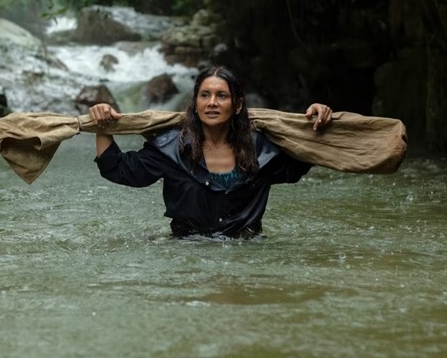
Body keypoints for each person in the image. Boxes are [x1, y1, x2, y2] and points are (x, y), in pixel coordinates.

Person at [89, 66, 333, 239]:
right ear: (196, 103)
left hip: (249, 253)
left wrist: (315, 121)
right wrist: (103, 126)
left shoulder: (263, 149)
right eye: (204, 95)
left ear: (237, 105)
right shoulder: (171, 148)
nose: (212, 102)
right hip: (188, 254)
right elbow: (117, 169)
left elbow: (304, 157)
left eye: (222, 96)